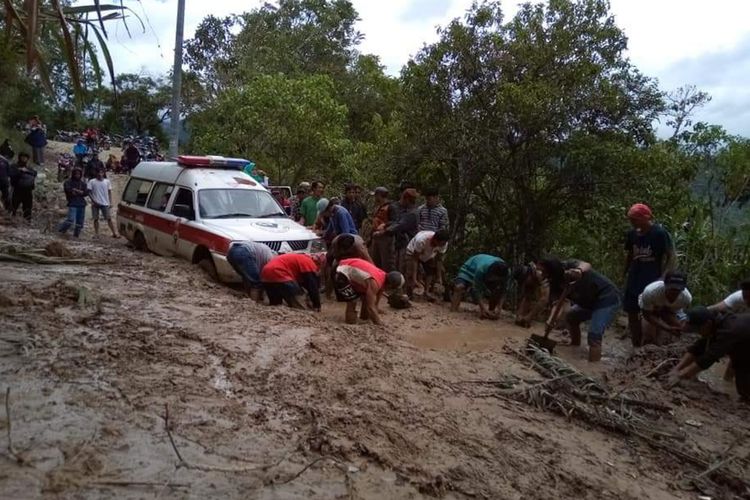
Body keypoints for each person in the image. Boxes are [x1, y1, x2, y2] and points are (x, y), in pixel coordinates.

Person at [545, 258, 621, 362]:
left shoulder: (569, 265)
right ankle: (575, 345)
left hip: (606, 297)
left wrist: (579, 270)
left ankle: (593, 369)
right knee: (571, 317)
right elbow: (558, 304)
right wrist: (550, 320)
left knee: (594, 335)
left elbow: (586, 264)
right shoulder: (554, 283)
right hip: (587, 302)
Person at [668, 307, 750, 402]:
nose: (698, 333)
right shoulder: (717, 324)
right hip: (744, 346)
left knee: (745, 390)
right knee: (741, 379)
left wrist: (681, 375)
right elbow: (698, 347)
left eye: (698, 330)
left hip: (744, 346)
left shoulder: (729, 331)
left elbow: (709, 358)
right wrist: (676, 369)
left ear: (707, 324)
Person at [624, 203, 676, 348]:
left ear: (645, 218)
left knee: (650, 314)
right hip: (634, 278)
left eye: (635, 219)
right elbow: (629, 254)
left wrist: (664, 277)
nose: (632, 223)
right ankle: (636, 346)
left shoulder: (659, 233)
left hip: (652, 280)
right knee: (632, 312)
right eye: (631, 220)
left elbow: (670, 256)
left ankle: (651, 346)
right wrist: (625, 272)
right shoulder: (632, 234)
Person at [334, 257, 405, 325]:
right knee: (353, 301)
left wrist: (377, 311)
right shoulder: (375, 283)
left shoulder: (383, 276)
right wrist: (379, 323)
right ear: (390, 286)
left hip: (349, 268)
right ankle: (349, 321)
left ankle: (363, 317)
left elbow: (375, 303)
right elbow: (371, 307)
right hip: (341, 271)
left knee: (367, 296)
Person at [709, 279, 750, 381]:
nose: (747, 301)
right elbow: (717, 308)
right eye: (745, 297)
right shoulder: (738, 296)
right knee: (739, 352)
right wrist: (696, 314)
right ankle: (727, 382)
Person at [638, 271, 692, 346]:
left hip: (668, 310)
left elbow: (674, 314)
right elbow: (647, 315)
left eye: (678, 289)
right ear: (665, 285)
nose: (674, 292)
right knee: (648, 338)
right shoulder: (650, 292)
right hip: (651, 308)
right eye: (672, 288)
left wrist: (677, 326)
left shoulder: (686, 298)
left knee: (677, 330)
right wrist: (667, 328)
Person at [451, 254, 510, 320]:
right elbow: (477, 289)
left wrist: (499, 309)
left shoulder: (507, 273)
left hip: (487, 275)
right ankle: (453, 311)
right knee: (459, 287)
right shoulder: (482, 268)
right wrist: (482, 308)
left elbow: (503, 291)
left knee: (497, 290)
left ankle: (491, 312)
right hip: (469, 269)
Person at [381, 184, 419, 275]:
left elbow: (400, 225)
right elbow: (395, 222)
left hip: (407, 243)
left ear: (407, 200)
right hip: (400, 242)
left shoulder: (412, 213)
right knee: (397, 265)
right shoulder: (403, 209)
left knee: (404, 268)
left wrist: (383, 231)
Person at [404, 229, 450, 299]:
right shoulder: (422, 240)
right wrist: (414, 278)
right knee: (410, 272)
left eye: (443, 244)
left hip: (429, 255)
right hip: (413, 253)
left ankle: (427, 291)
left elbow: (439, 260)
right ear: (435, 240)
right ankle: (408, 293)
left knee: (431, 270)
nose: (442, 246)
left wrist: (439, 277)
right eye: (440, 244)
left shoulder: (444, 244)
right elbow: (415, 259)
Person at [513, 263, 551, 328]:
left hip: (560, 287)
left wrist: (529, 317)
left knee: (544, 299)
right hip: (536, 279)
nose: (524, 283)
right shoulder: (530, 275)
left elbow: (544, 299)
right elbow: (527, 296)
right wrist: (519, 315)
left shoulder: (541, 274)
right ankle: (523, 316)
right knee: (528, 294)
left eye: (524, 281)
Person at [369, 187, 396, 272]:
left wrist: (385, 225)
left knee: (386, 262)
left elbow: (395, 222)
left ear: (379, 196)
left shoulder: (391, 207)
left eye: (376, 196)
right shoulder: (379, 207)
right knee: (376, 261)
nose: (375, 198)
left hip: (385, 238)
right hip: (376, 237)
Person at [87, 168, 119, 238]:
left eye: (101, 172)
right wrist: (93, 201)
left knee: (109, 218)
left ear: (103, 173)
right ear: (96, 173)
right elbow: (89, 192)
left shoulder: (107, 182)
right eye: (98, 172)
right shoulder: (92, 181)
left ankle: (114, 233)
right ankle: (96, 233)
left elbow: (109, 192)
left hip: (105, 203)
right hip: (95, 203)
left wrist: (110, 202)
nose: (100, 174)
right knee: (95, 219)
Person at [59, 168, 88, 237]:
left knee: (80, 222)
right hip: (72, 203)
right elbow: (68, 190)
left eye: (79, 174)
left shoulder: (82, 183)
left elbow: (86, 192)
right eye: (76, 174)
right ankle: (61, 230)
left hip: (81, 203)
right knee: (70, 219)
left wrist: (76, 191)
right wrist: (78, 191)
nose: (77, 175)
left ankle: (76, 235)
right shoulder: (68, 182)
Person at [9, 152, 37, 220]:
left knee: (28, 207)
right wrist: (19, 171)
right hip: (17, 189)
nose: (24, 159)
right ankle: (10, 218)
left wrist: (26, 171)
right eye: (22, 157)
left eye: (25, 157)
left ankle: (27, 220)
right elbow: (11, 174)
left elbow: (34, 173)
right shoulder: (14, 166)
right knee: (13, 205)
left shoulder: (29, 168)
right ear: (19, 158)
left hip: (28, 190)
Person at [0, 142, 12, 210]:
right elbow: (8, 173)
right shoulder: (5, 161)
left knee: (5, 195)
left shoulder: (5, 161)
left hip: (3, 180)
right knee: (6, 195)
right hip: (4, 181)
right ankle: (8, 209)